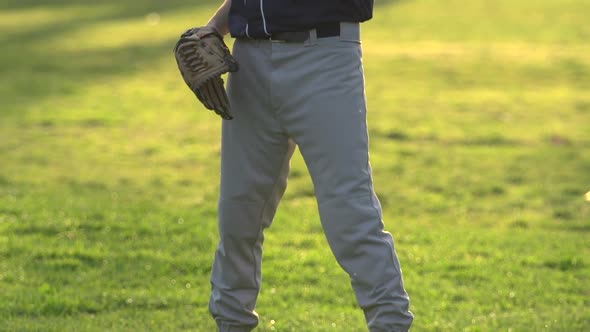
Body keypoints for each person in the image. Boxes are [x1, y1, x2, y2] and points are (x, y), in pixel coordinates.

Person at [204, 1, 414, 331]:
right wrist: (216, 27)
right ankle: (230, 324)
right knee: (238, 213)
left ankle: (391, 324)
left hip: (325, 57)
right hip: (248, 61)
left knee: (350, 214)